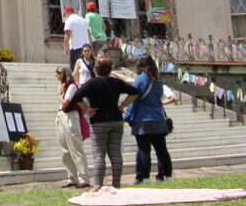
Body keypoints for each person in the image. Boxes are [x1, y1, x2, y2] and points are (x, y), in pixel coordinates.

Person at [71, 56, 139, 190]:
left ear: (96, 69)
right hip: (116, 119)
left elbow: (76, 97)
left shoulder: (91, 83)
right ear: (110, 69)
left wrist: (87, 109)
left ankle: (98, 184)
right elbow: (135, 92)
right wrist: (122, 105)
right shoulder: (116, 82)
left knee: (98, 154)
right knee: (115, 153)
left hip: (99, 121)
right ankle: (116, 183)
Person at [123, 54, 173, 184]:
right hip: (158, 119)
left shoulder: (139, 80)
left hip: (142, 120)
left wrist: (126, 116)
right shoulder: (158, 81)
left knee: (144, 150)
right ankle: (168, 176)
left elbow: (133, 100)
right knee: (162, 150)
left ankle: (144, 178)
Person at [54, 66, 89, 189]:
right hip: (61, 116)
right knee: (64, 149)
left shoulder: (72, 86)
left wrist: (59, 94)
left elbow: (65, 103)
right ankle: (72, 177)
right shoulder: (64, 87)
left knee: (75, 147)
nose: (57, 75)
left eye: (59, 73)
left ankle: (83, 177)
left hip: (70, 116)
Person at [62, 5, 91, 69]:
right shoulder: (83, 20)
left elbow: (67, 34)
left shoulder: (69, 20)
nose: (66, 16)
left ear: (67, 12)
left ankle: (75, 79)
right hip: (86, 47)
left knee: (74, 68)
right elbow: (89, 33)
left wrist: (65, 47)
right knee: (85, 66)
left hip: (76, 47)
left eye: (65, 14)